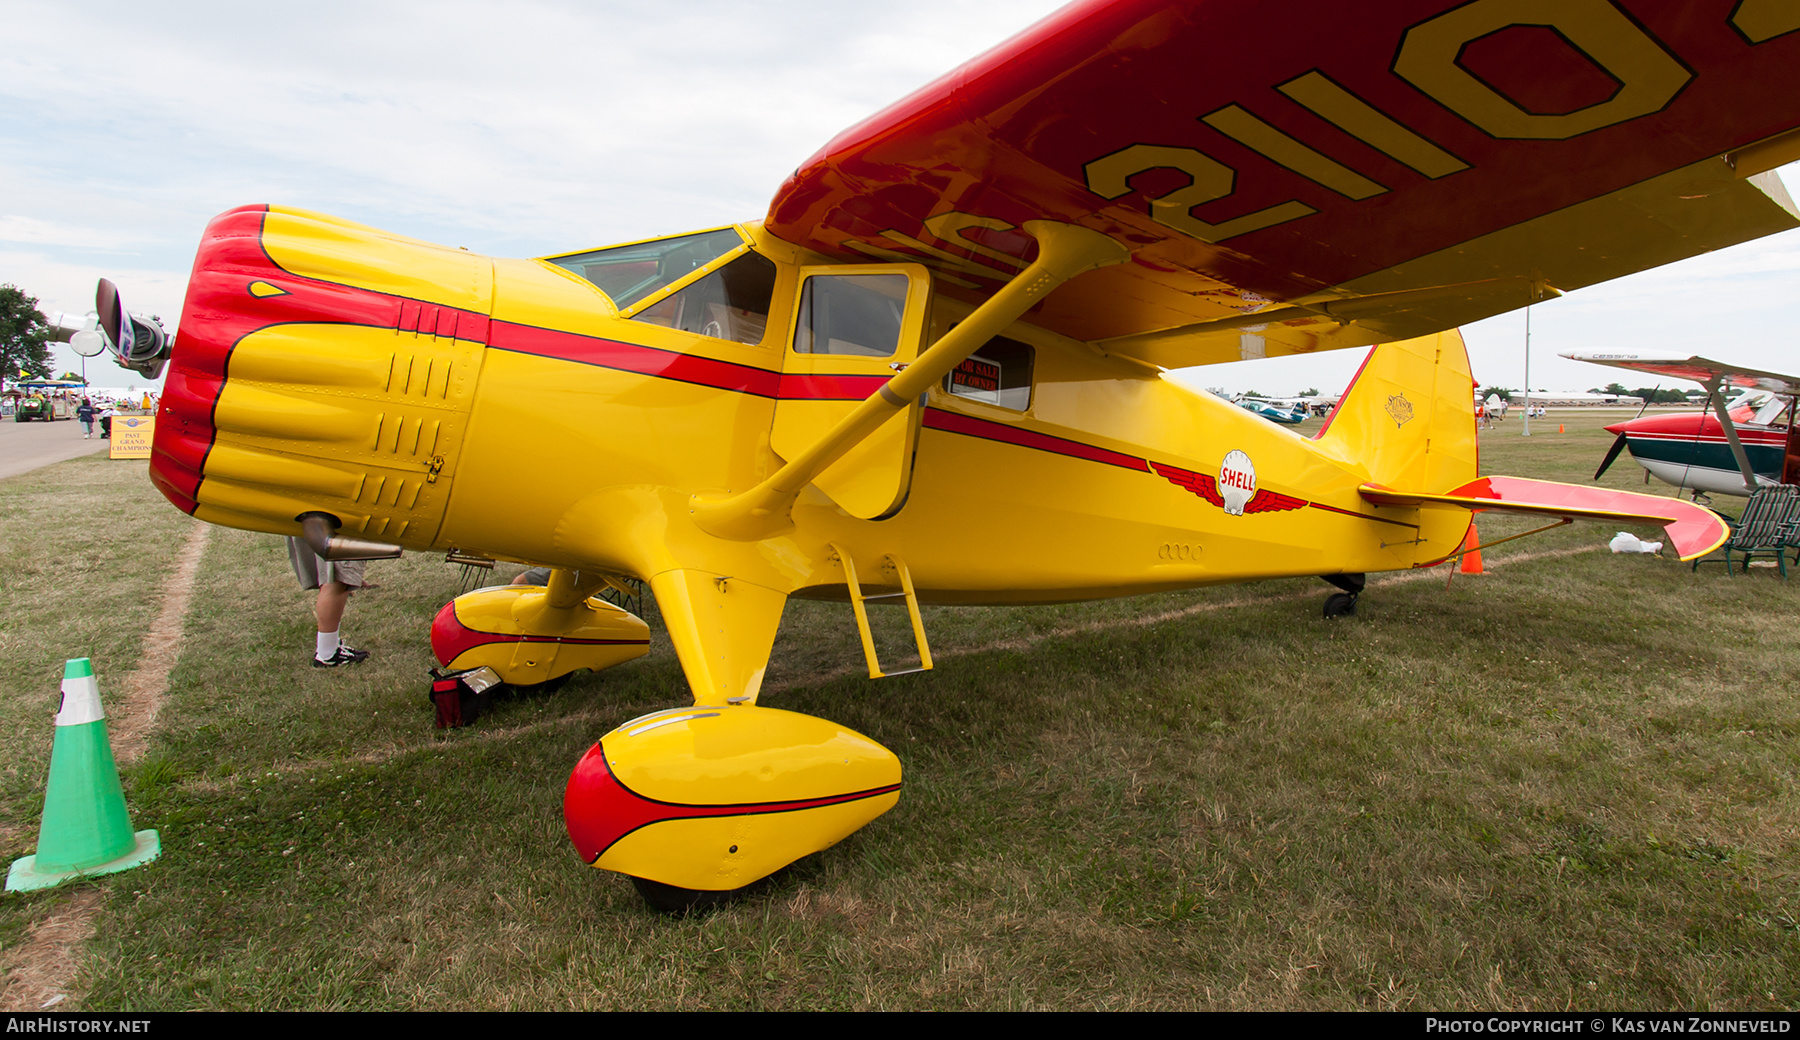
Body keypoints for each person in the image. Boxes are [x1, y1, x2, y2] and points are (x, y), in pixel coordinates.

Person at [287, 537, 371, 667]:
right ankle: (328, 653)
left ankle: (328, 649)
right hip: (332, 522)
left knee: (334, 577)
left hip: (310, 521)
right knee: (337, 581)